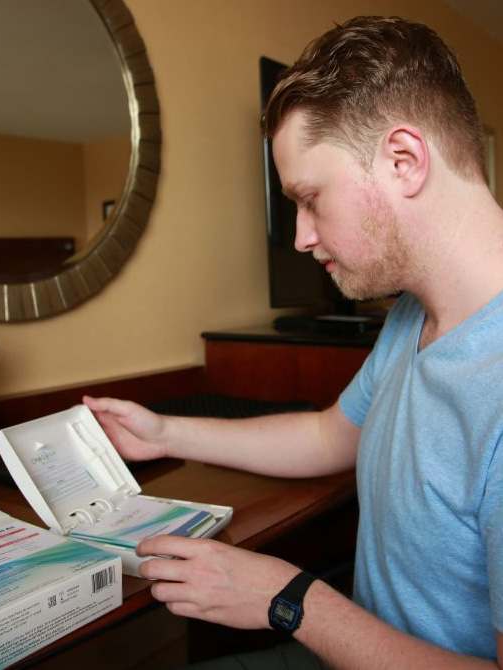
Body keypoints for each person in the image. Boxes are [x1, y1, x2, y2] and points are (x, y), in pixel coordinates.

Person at [84, 15, 503, 669]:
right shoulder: (409, 317)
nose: (302, 236)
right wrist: (163, 433)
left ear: (403, 161)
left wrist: (289, 599)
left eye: (310, 198)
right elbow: (327, 437)